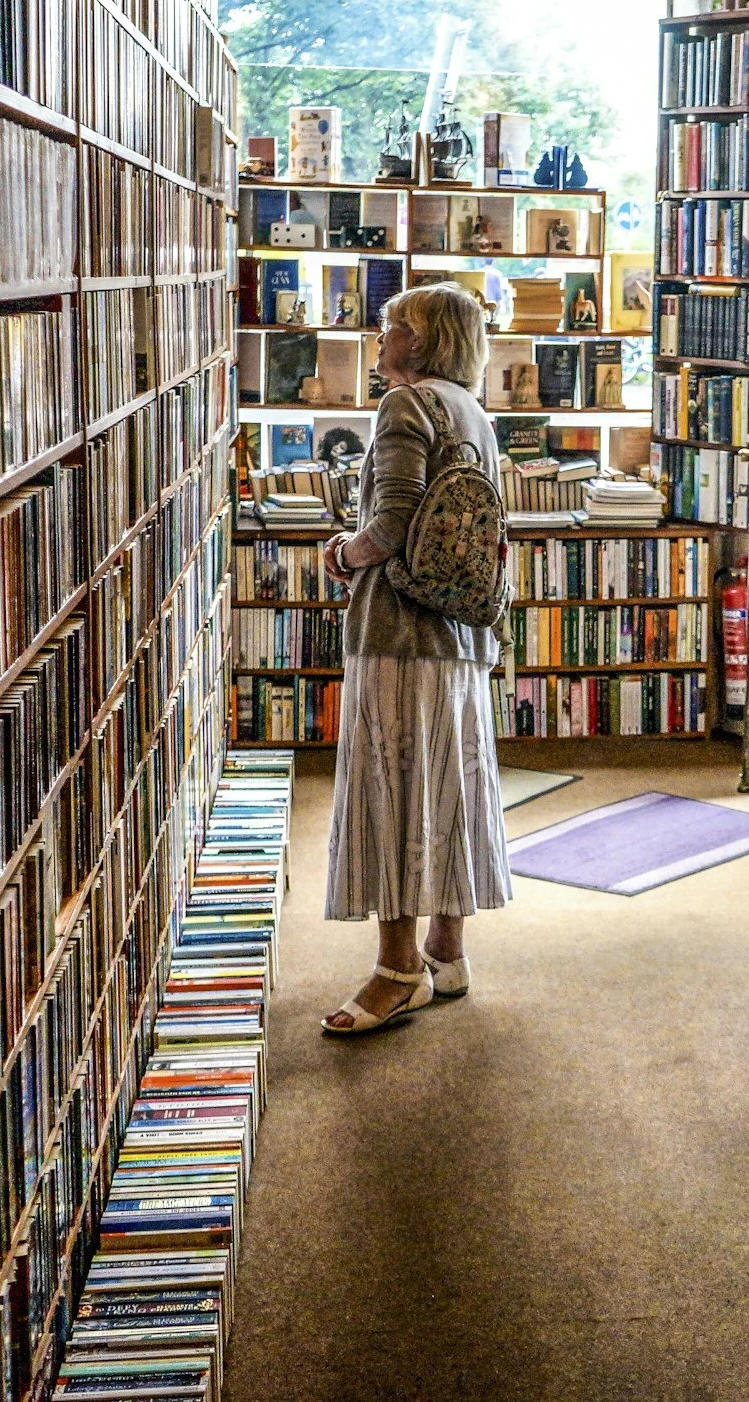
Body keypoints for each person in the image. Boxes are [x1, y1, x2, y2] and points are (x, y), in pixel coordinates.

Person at [317, 282, 512, 1034]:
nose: (379, 331)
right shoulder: (473, 411)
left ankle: (398, 970)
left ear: (422, 341)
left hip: (399, 634)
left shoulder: (404, 406)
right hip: (460, 633)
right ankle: (447, 950)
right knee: (449, 787)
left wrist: (341, 551)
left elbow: (390, 526)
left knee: (390, 791)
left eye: (392, 323)